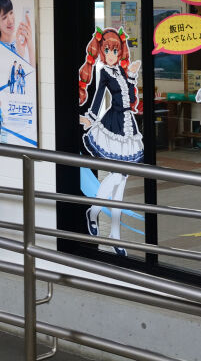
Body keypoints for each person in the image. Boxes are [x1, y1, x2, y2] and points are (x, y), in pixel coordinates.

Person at [78, 27, 142, 257]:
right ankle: (96, 214)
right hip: (113, 124)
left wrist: (132, 77)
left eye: (115, 50)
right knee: (117, 176)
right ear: (102, 52)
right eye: (107, 50)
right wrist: (90, 118)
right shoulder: (104, 72)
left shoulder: (123, 72)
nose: (112, 55)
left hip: (128, 125)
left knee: (121, 181)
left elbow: (131, 99)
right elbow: (98, 97)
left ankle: (113, 232)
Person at [0, 0, 33, 65]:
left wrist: (30, 45)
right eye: (4, 17)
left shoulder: (22, 42)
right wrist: (20, 57)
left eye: (11, 13)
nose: (10, 21)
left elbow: (34, 70)